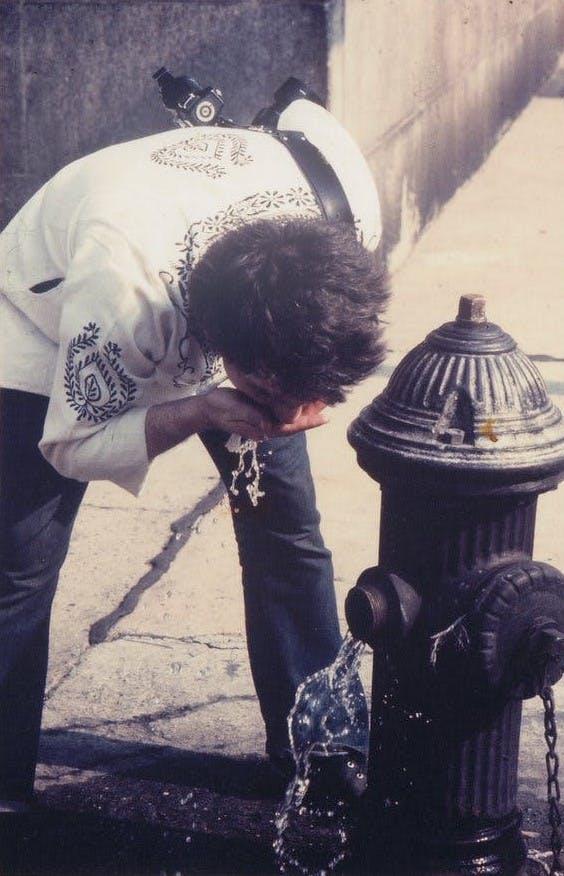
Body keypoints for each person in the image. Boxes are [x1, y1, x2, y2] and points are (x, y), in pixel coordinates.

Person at [0, 85, 388, 816]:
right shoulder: (123, 295)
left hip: (224, 299)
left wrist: (301, 395)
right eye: (274, 396)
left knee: (287, 529)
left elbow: (305, 115)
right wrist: (202, 409)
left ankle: (323, 750)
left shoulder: (341, 212)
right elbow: (71, 443)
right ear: (226, 355)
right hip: (38, 315)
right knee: (19, 568)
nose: (286, 417)